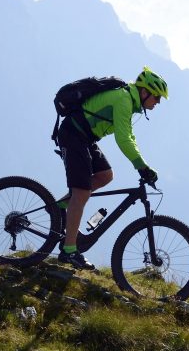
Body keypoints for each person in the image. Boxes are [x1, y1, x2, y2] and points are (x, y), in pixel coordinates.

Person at [54, 66, 168, 269]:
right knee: (81, 193)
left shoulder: (129, 102)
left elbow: (129, 137)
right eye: (156, 97)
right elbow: (123, 139)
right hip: (73, 134)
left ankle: (63, 207)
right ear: (144, 92)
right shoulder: (123, 99)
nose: (157, 102)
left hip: (85, 137)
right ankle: (68, 251)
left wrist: (143, 165)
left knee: (105, 175)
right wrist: (141, 166)